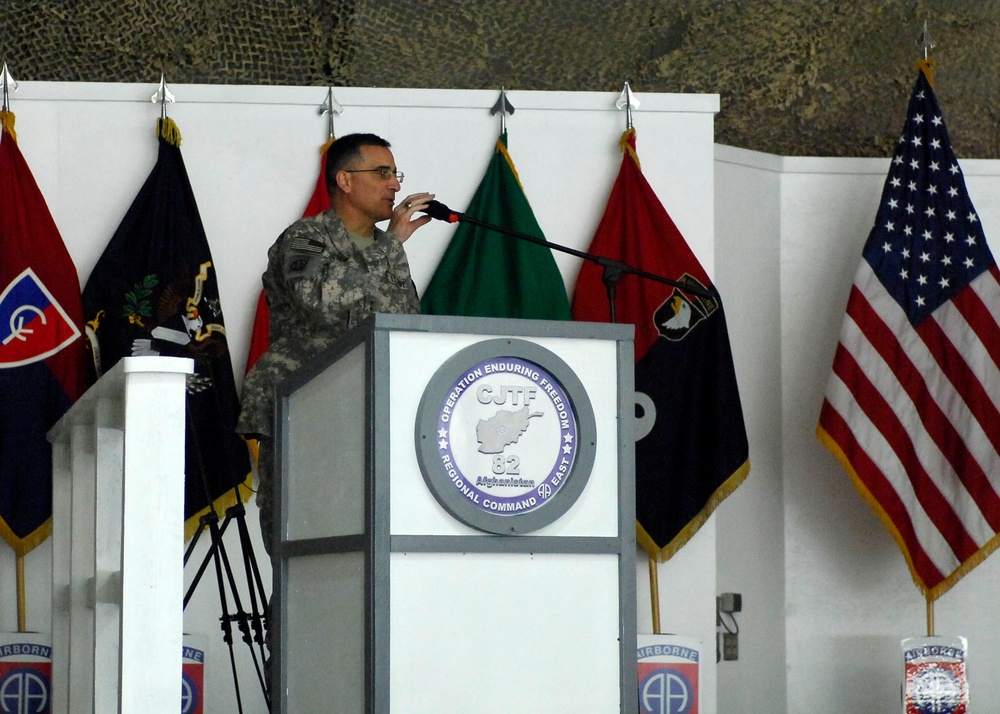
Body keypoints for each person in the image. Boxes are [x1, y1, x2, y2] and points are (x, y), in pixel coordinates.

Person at [238, 132, 434, 555]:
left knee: (370, 551)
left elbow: (404, 327)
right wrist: (392, 247)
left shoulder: (387, 249)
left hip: (376, 417)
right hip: (308, 412)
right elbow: (323, 300)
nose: (396, 186)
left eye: (395, 174)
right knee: (306, 548)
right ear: (344, 180)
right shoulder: (307, 238)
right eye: (382, 173)